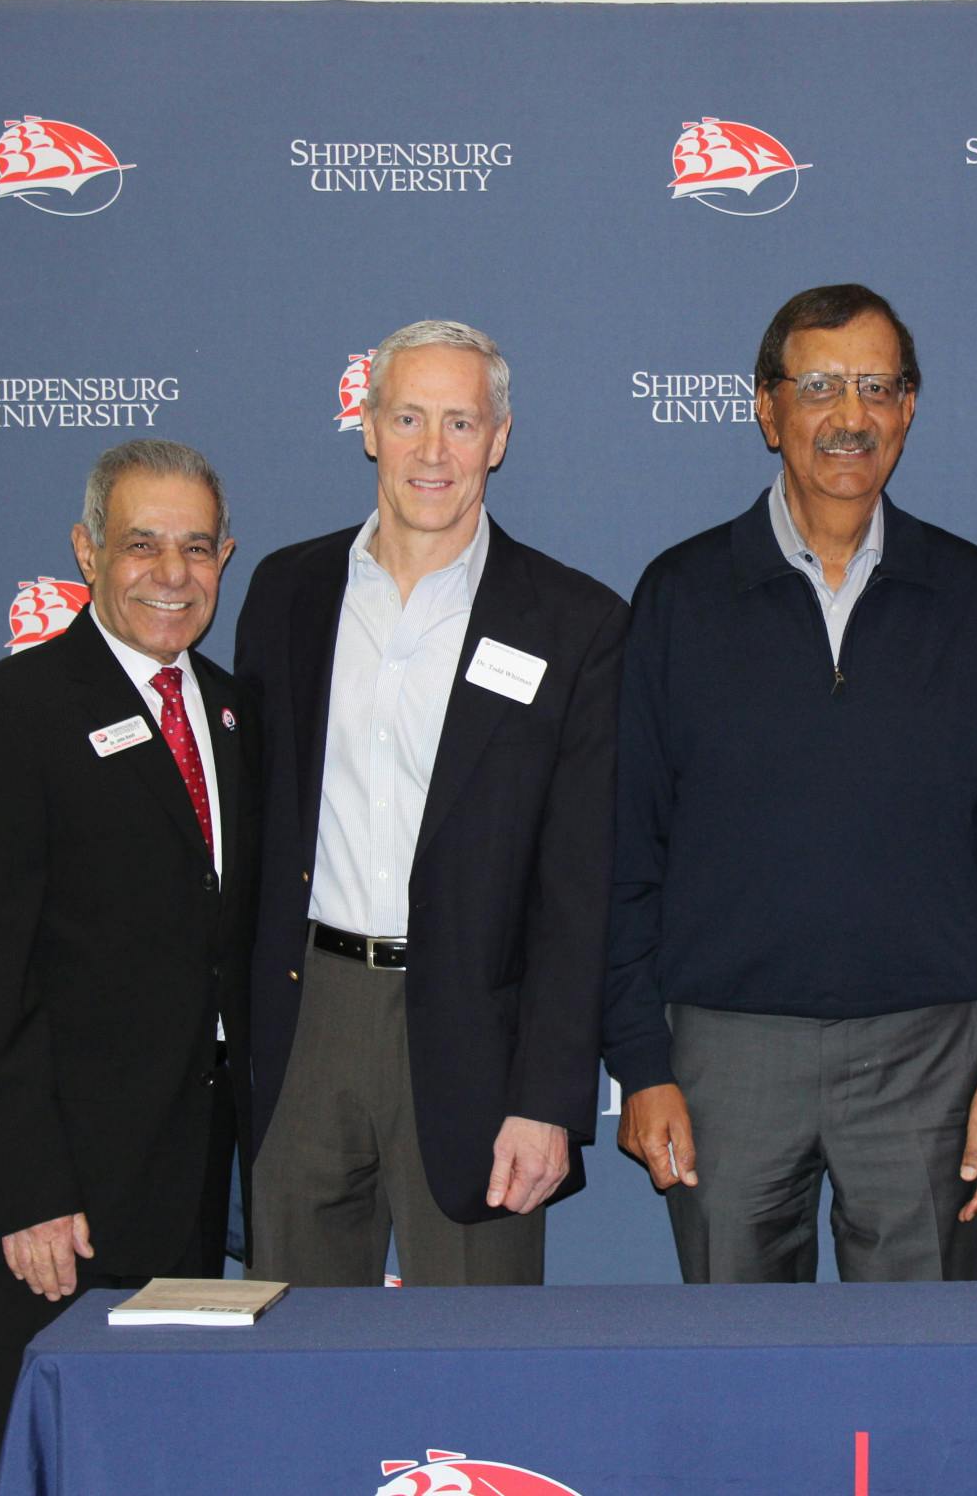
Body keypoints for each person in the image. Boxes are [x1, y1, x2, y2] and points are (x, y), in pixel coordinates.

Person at [603, 282, 977, 1283]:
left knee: (919, 1380)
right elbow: (625, 846)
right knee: (737, 1370)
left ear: (907, 409)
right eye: (817, 385)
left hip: (928, 1054)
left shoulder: (973, 596)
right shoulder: (680, 596)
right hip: (726, 1055)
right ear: (765, 408)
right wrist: (642, 1060)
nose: (848, 417)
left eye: (875, 387)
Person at [237, 319, 625, 1287]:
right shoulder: (285, 592)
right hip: (304, 1020)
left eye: (460, 422)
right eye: (408, 417)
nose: (432, 450)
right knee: (298, 1361)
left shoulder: (573, 624)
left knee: (474, 1366)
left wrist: (548, 1098)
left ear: (498, 439)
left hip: (476, 1042)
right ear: (366, 426)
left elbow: (579, 893)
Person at [0, 439, 249, 1495]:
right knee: (36, 1466)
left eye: (196, 547)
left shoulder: (236, 716)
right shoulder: (5, 715)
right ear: (86, 550)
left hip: (186, 1188)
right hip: (57, 1199)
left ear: (225, 557)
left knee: (164, 1462)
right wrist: (26, 1192)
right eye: (141, 542)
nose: (172, 571)